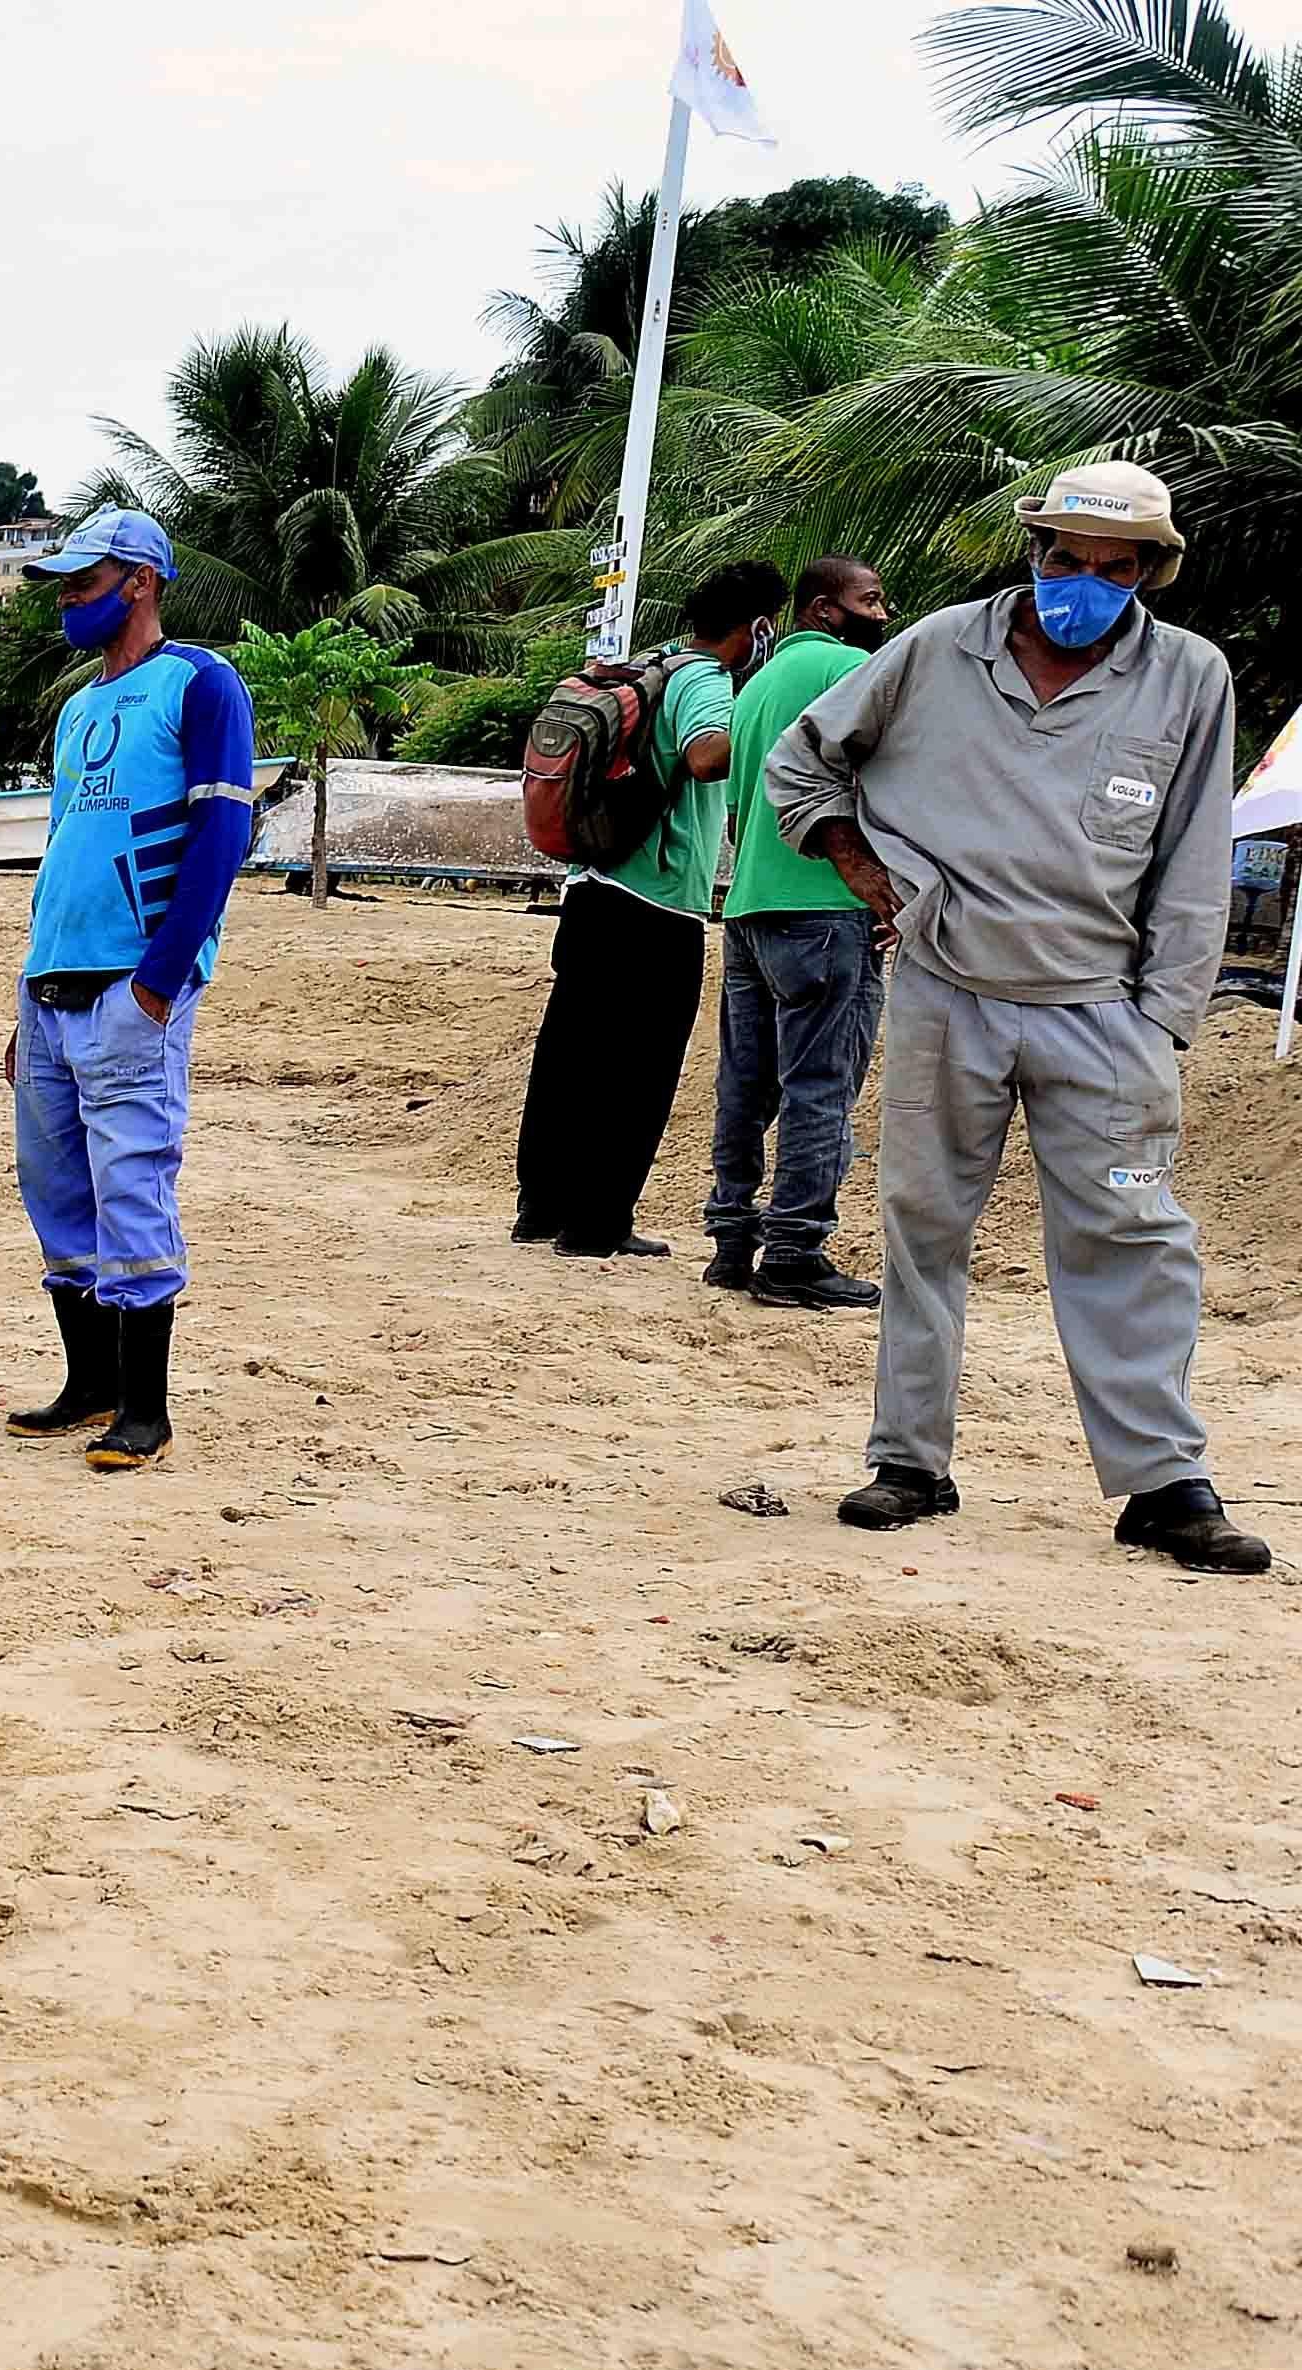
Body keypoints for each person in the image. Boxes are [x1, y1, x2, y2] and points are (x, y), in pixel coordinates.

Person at [768, 461, 1266, 1574]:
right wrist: (851, 856)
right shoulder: (938, 649)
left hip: (1108, 1010)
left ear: (1148, 574)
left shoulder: (1190, 675)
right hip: (948, 991)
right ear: (1032, 550)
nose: (1081, 582)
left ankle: (1165, 1483)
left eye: (1112, 567)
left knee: (1133, 1239)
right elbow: (802, 761)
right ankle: (911, 1460)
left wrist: (1165, 1024)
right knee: (924, 1229)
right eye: (1064, 558)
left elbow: (1194, 857)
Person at [0, 507, 256, 1470]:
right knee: (55, 1191)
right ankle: (89, 1383)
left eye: (81, 583)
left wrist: (159, 983)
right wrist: (22, 989)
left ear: (138, 582)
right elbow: (62, 851)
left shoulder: (200, 684)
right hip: (52, 987)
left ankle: (145, 1411)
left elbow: (221, 837)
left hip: (130, 988)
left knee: (132, 1187)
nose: (66, 601)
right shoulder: (76, 710)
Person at [511, 560, 780, 1257]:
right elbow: (706, 757)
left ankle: (539, 1208)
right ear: (756, 627)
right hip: (656, 904)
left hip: (591, 886)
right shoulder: (705, 680)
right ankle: (597, 1225)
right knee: (638, 1068)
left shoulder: (652, 666)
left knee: (569, 1054)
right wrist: (770, 719)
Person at [701, 558, 893, 1308]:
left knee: (745, 1087)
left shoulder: (754, 690)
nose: (882, 613)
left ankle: (731, 1242)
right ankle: (794, 1252)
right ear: (824, 608)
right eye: (869, 600)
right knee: (820, 1087)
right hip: (824, 905)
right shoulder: (849, 671)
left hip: (749, 909)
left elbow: (747, 802)